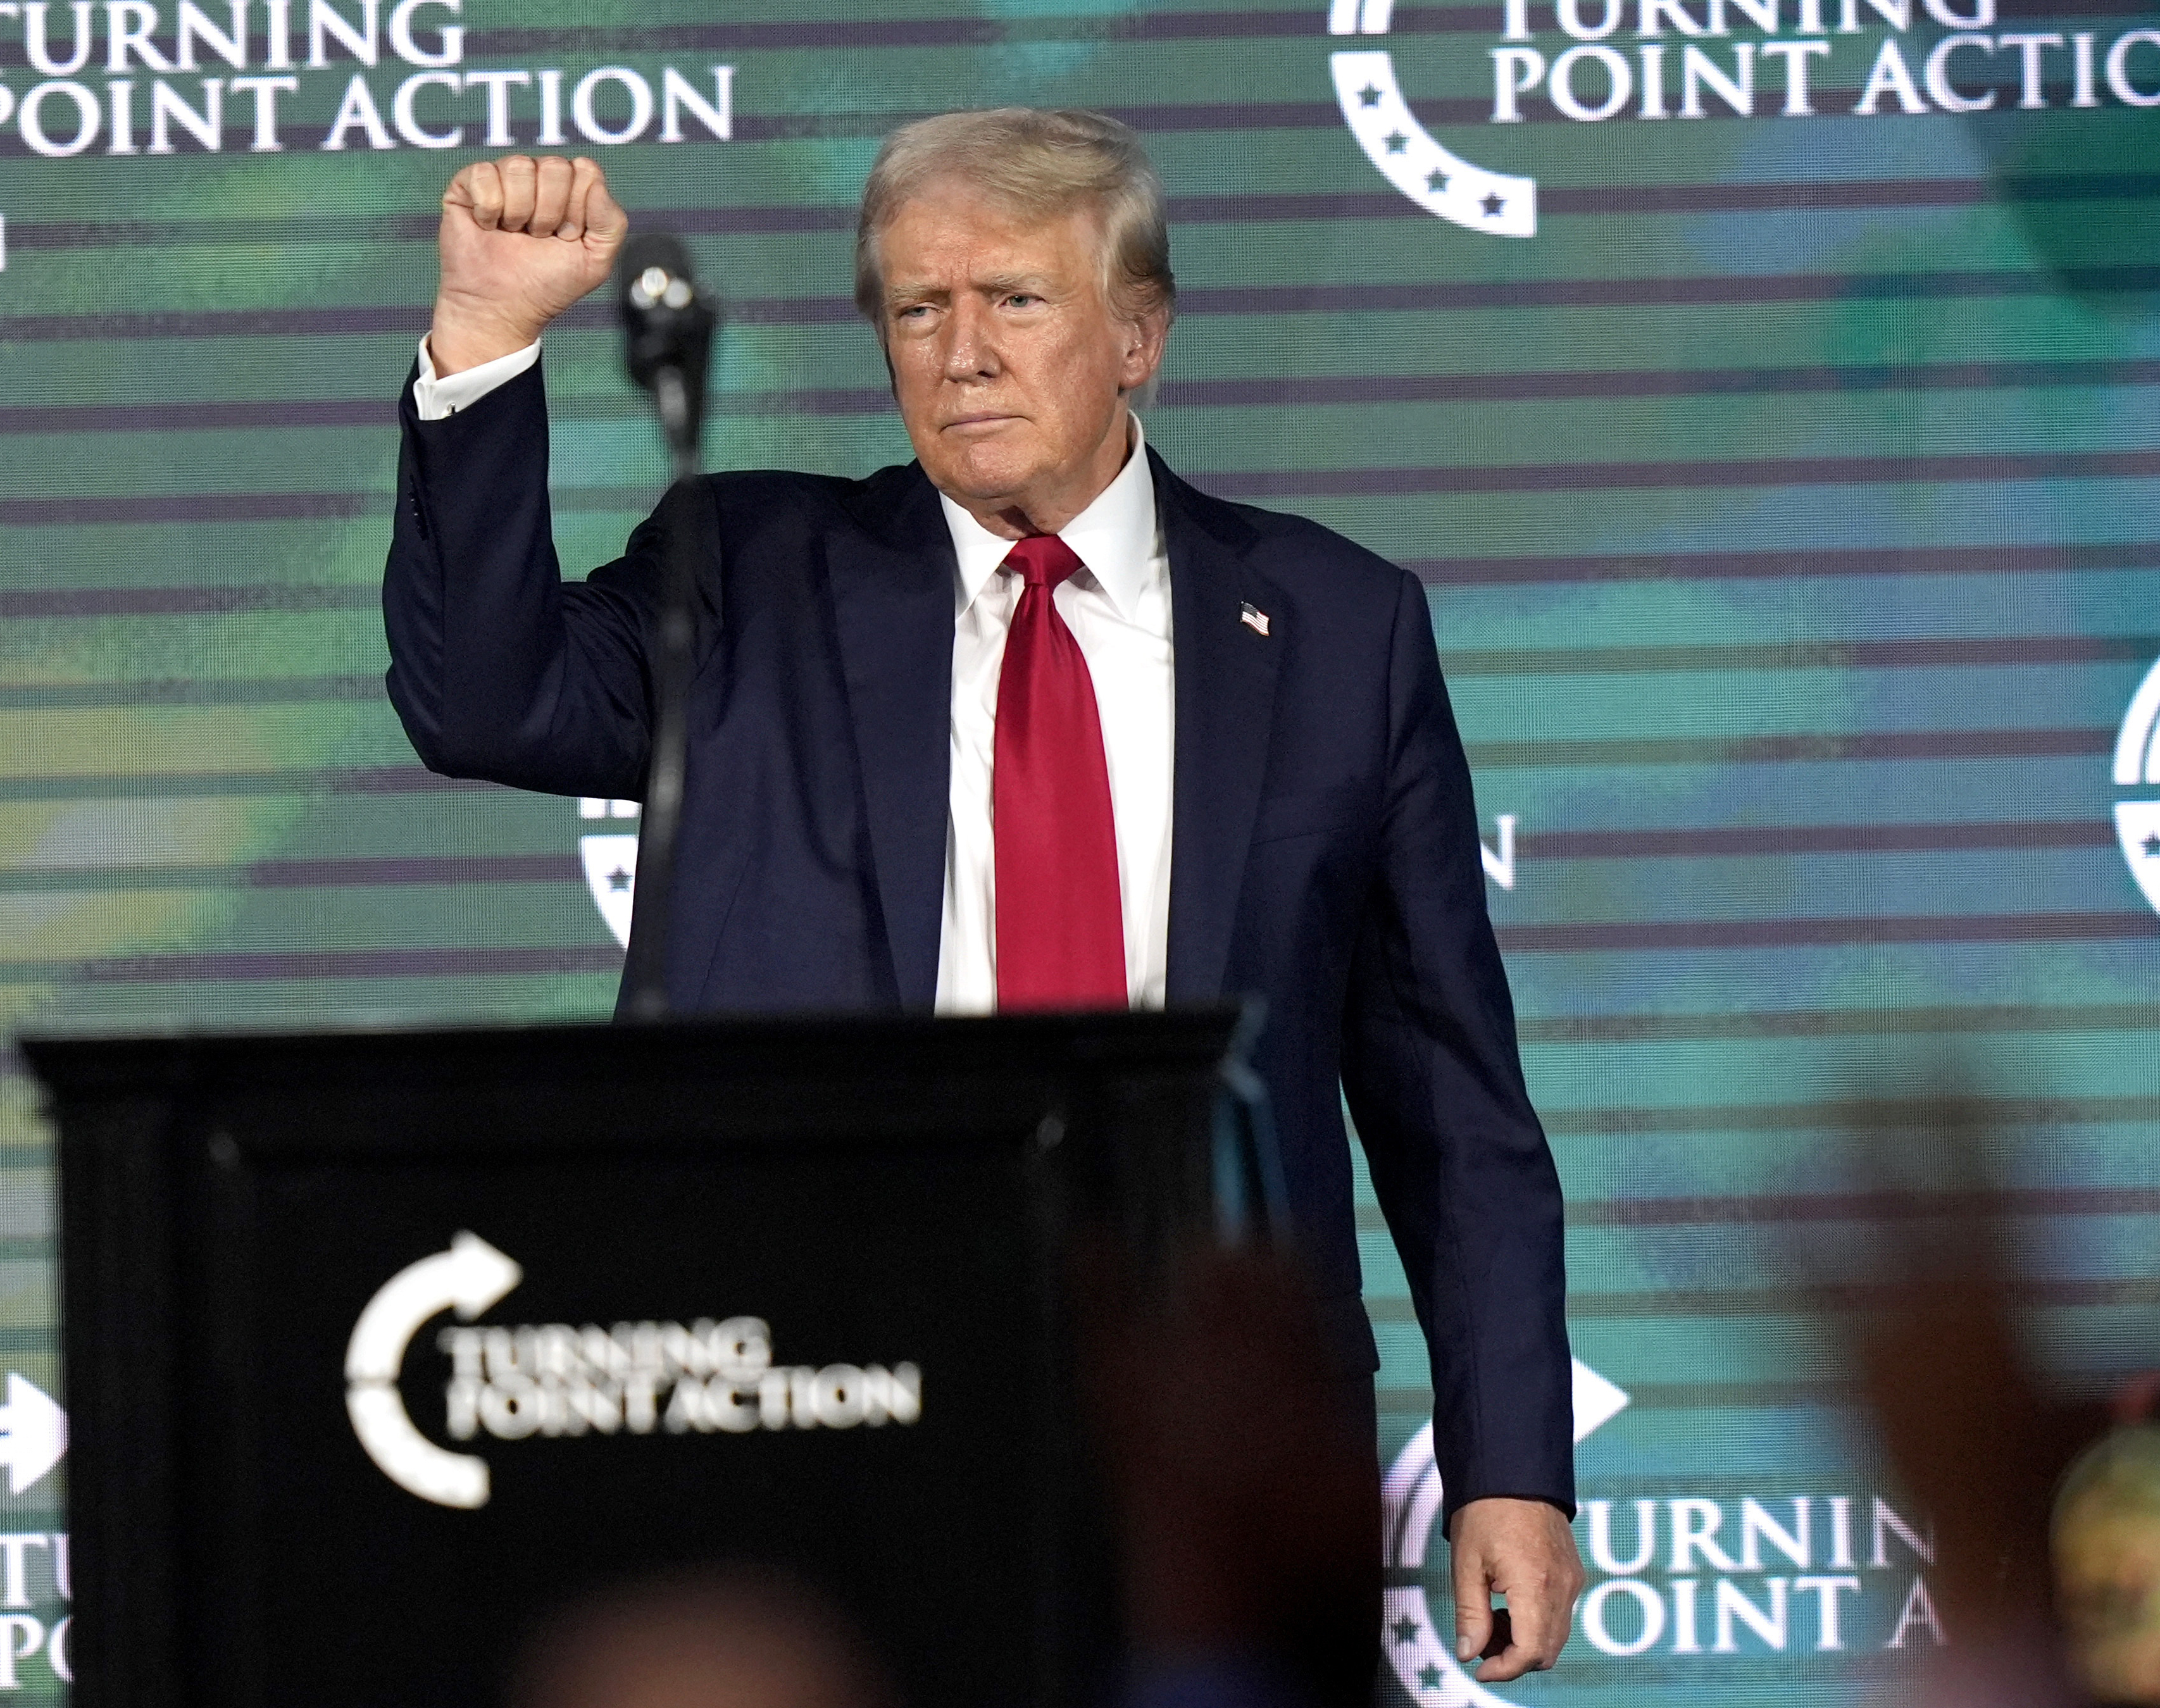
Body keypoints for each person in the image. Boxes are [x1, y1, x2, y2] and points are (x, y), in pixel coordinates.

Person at [382, 108, 1582, 1680]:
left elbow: (1448, 1097)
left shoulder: (1340, 628)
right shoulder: (751, 572)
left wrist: (1509, 1463)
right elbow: (485, 701)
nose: (960, 353)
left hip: (1203, 1436)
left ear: (1139, 332)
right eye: (916, 308)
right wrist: (481, 342)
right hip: (819, 1408)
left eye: (1013, 300)